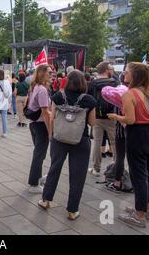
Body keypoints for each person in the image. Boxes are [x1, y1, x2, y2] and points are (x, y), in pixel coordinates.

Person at [38, 70, 97, 220]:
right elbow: (92, 123)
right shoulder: (89, 100)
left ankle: (46, 200)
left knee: (54, 169)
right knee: (78, 176)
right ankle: (72, 210)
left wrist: (51, 136)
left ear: (67, 81)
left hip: (59, 139)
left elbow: (52, 118)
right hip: (81, 140)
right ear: (83, 82)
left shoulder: (58, 96)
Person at [108, 62, 149, 228]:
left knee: (138, 176)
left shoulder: (129, 94)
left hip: (137, 135)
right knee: (148, 172)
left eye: (127, 72)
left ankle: (139, 216)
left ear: (135, 75)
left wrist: (115, 117)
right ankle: (146, 208)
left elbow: (130, 120)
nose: (124, 74)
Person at [87, 62, 119, 176]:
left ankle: (96, 168)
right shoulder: (115, 83)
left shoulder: (92, 83)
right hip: (112, 116)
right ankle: (116, 167)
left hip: (97, 116)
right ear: (106, 70)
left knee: (97, 142)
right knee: (115, 142)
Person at [27, 64, 53, 193]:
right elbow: (45, 112)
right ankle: (33, 184)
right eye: (49, 72)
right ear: (42, 73)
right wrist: (50, 132)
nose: (52, 74)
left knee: (39, 154)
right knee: (39, 155)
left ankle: (37, 177)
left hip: (34, 124)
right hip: (41, 125)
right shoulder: (42, 89)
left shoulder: (35, 86)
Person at [0, 69, 11, 137]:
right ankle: (5, 132)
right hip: (4, 101)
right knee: (4, 117)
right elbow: (9, 93)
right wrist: (9, 100)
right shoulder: (7, 82)